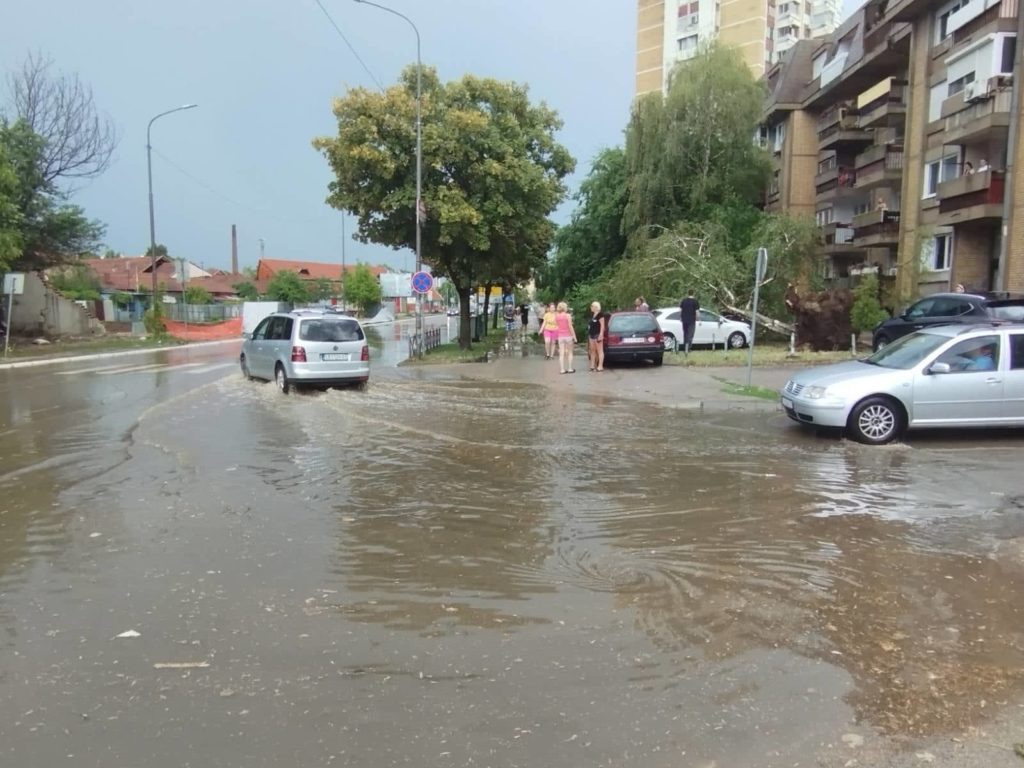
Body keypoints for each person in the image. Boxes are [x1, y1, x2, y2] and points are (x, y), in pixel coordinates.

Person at [555, 301, 577, 374]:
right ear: (565, 308)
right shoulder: (568, 315)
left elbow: (557, 326)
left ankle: (562, 369)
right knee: (570, 352)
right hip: (568, 336)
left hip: (560, 336)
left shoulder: (557, 316)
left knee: (561, 353)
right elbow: (570, 326)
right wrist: (574, 336)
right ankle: (570, 368)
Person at [587, 301, 607, 372]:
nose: (591, 307)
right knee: (592, 350)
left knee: (599, 351)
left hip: (597, 334)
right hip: (591, 334)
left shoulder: (600, 315)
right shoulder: (592, 315)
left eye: (592, 306)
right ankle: (592, 366)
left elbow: (602, 326)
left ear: (596, 307)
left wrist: (601, 334)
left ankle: (600, 366)